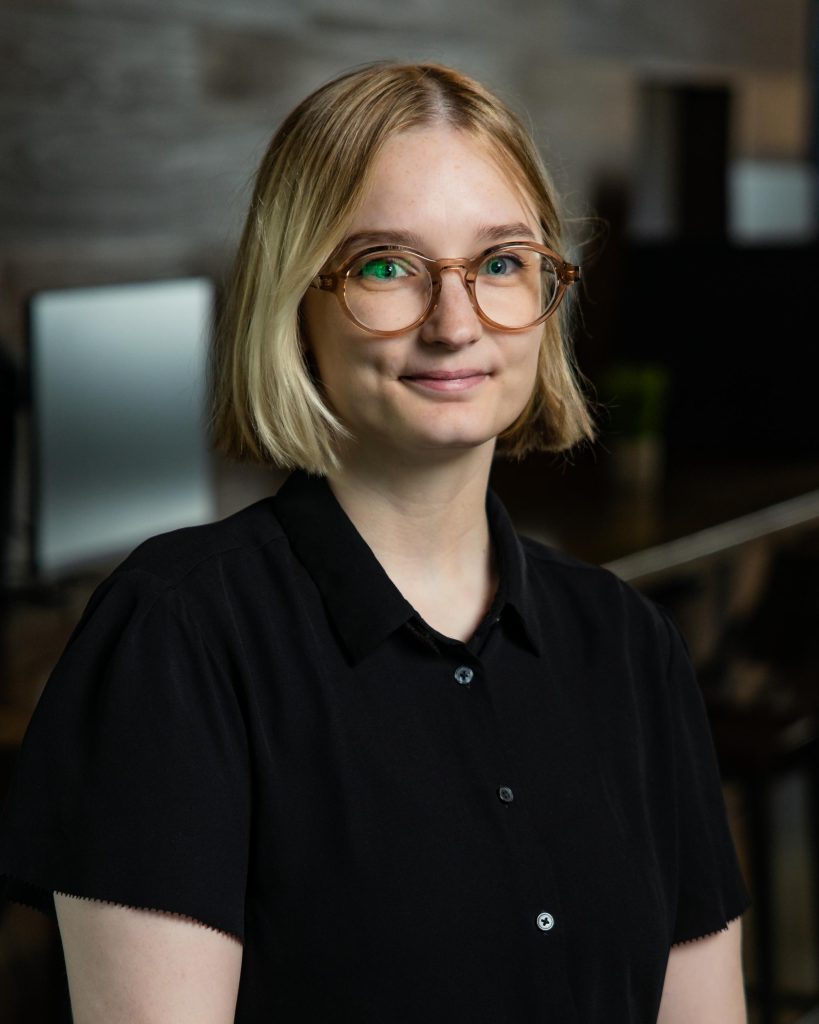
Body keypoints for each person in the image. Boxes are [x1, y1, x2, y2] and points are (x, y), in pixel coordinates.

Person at [0, 62, 749, 1022]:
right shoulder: (178, 639)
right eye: (386, 266)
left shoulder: (630, 645)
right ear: (294, 298)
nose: (454, 322)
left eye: (501, 262)